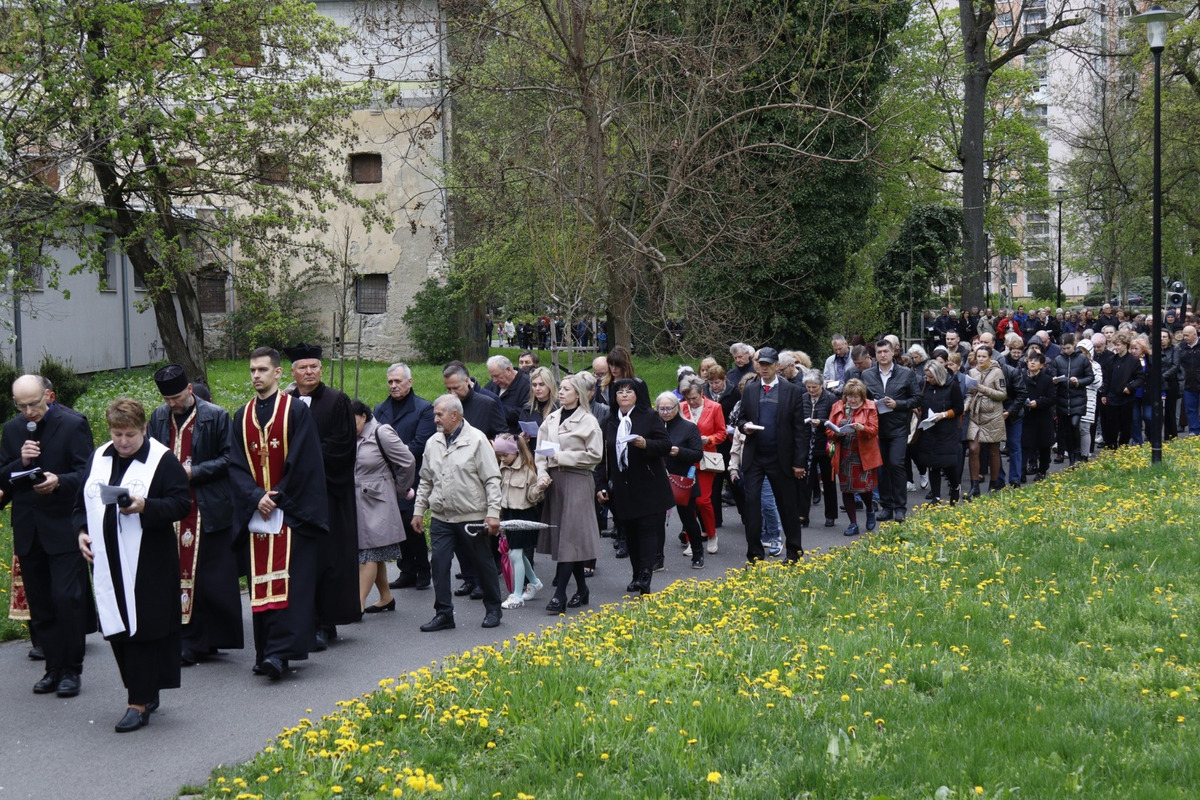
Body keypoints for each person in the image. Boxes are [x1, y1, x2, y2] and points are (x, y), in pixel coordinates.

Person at [76, 398, 191, 732]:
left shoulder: (161, 460)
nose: (123, 441)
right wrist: (80, 532)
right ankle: (143, 689)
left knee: (142, 630)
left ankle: (137, 703)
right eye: (117, 434)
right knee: (116, 629)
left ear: (144, 429)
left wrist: (145, 506)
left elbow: (181, 504)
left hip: (148, 562)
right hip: (107, 561)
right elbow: (80, 503)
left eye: (129, 434)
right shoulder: (99, 457)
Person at [228, 347, 329, 680]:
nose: (256, 375)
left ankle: (281, 653)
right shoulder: (241, 415)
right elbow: (236, 465)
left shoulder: (296, 412)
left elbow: (305, 462)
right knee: (260, 582)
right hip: (258, 514)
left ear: (278, 373)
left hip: (290, 514)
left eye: (262, 369)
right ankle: (264, 650)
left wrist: (278, 495)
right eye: (252, 370)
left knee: (289, 584)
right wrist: (256, 497)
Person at [0, 374, 94, 698]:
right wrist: (20, 461)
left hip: (63, 525)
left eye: (34, 404)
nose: (29, 412)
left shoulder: (72, 424)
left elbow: (87, 473)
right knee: (40, 604)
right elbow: (3, 475)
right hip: (28, 528)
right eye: (22, 406)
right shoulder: (12, 431)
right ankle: (52, 668)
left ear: (49, 396)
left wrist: (59, 481)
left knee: (66, 599)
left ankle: (71, 670)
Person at [147, 364, 244, 667]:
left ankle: (210, 639)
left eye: (177, 397)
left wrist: (194, 471)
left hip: (208, 506)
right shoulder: (159, 417)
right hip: (172, 509)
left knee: (209, 578)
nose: (173, 404)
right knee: (175, 575)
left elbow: (230, 458)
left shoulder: (215, 416)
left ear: (189, 389)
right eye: (167, 399)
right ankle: (187, 639)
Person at [283, 343, 360, 650]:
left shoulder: (337, 401)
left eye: (314, 366)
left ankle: (326, 622)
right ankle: (302, 618)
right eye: (303, 367)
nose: (309, 372)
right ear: (293, 372)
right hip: (294, 496)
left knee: (329, 558)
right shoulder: (284, 403)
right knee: (299, 561)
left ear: (321, 369)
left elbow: (342, 447)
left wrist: (305, 465)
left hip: (329, 493)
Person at [412, 395, 504, 631]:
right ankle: (444, 614)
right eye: (435, 414)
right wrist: (419, 511)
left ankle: (493, 608)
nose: (435, 419)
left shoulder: (477, 440)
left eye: (439, 414)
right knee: (439, 564)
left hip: (471, 516)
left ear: (455, 415)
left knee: (483, 563)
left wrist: (493, 513)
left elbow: (492, 479)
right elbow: (425, 480)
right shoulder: (433, 442)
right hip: (442, 516)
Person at [596, 377, 674, 594]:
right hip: (622, 487)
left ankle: (645, 577)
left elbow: (666, 445)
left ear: (637, 395)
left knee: (648, 532)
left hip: (649, 485)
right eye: (620, 391)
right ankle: (636, 574)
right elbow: (602, 457)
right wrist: (601, 485)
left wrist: (645, 444)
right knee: (630, 534)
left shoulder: (649, 417)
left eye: (629, 391)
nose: (624, 395)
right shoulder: (609, 421)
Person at [535, 373, 605, 610]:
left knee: (569, 537)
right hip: (555, 483)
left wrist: (562, 456)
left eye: (566, 389)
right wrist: (542, 473)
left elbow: (595, 455)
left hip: (577, 480)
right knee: (568, 537)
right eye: (561, 388)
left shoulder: (588, 421)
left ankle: (560, 594)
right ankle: (582, 590)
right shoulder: (552, 418)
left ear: (577, 393)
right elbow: (541, 453)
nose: (561, 392)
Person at [734, 347, 808, 561]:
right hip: (755, 456)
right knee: (752, 506)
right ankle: (755, 555)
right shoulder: (750, 388)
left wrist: (799, 462)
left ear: (776, 365)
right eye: (760, 364)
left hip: (780, 457)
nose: (763, 368)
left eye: (767, 364)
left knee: (788, 506)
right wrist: (744, 426)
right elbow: (741, 418)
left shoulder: (792, 391)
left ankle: (794, 553)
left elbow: (799, 431)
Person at [375, 363, 436, 591]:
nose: (393, 385)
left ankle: (423, 569)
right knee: (396, 525)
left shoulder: (424, 409)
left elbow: (419, 445)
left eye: (398, 381)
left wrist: (393, 458)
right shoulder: (380, 409)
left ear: (409, 382)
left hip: (413, 476)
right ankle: (406, 569)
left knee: (412, 523)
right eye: (390, 381)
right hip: (387, 477)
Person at [351, 400, 414, 613]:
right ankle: (386, 597)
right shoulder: (353, 436)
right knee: (373, 553)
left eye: (352, 420)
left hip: (378, 503)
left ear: (364, 416)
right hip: (359, 503)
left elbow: (407, 461)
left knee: (367, 554)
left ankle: (356, 605)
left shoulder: (381, 432)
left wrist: (400, 489)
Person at [861, 339, 921, 522]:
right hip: (877, 428)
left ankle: (900, 507)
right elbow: (862, 399)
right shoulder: (867, 375)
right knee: (882, 468)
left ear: (893, 352)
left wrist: (898, 404)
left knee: (896, 464)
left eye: (886, 351)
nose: (882, 355)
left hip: (898, 427)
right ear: (875, 355)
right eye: (879, 352)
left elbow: (917, 398)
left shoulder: (906, 374)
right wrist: (872, 404)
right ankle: (886, 506)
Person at [826, 379, 881, 536]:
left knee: (865, 489)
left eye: (856, 396)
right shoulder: (838, 406)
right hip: (843, 453)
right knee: (846, 489)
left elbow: (874, 430)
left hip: (862, 454)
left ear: (862, 396)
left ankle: (870, 509)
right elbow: (829, 430)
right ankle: (853, 523)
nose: (852, 399)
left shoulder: (870, 406)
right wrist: (837, 431)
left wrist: (862, 428)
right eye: (849, 396)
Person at [495, 434, 544, 609]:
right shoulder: (501, 469)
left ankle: (516, 595)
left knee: (515, 554)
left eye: (505, 455)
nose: (502, 458)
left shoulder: (528, 471)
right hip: (508, 515)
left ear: (515, 452)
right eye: (499, 455)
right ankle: (535, 582)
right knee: (519, 554)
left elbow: (532, 497)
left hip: (524, 515)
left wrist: (540, 488)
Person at [657, 393, 705, 569]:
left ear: (677, 408)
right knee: (657, 521)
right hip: (659, 479)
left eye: (669, 408)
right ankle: (657, 558)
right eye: (662, 408)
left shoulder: (688, 427)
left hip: (682, 480)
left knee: (688, 519)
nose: (666, 412)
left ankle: (698, 553)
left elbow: (698, 454)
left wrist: (680, 452)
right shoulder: (654, 426)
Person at [678, 375, 726, 550]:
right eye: (688, 398)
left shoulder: (715, 407)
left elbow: (722, 433)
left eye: (694, 398)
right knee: (687, 502)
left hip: (706, 461)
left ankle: (712, 535)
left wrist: (710, 439)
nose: (691, 402)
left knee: (702, 501)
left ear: (702, 393)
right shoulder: (681, 407)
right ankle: (692, 539)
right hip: (684, 460)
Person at [915, 360, 964, 505]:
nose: (928, 380)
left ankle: (955, 486)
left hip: (946, 430)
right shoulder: (925, 386)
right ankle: (936, 496)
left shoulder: (952, 387)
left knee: (948, 463)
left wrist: (943, 415)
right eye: (927, 377)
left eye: (931, 377)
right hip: (929, 429)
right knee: (932, 463)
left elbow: (959, 409)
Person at [966, 345, 1008, 497]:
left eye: (984, 356)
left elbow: (1003, 395)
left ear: (990, 357)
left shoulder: (997, 372)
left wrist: (985, 390)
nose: (981, 359)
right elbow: (970, 394)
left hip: (993, 415)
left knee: (993, 451)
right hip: (975, 416)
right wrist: (965, 408)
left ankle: (994, 485)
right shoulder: (972, 372)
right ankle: (974, 486)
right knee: (973, 449)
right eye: (979, 356)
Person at [799, 370, 839, 526]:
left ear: (821, 386)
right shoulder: (802, 399)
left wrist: (821, 422)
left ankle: (831, 515)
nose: (811, 390)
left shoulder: (831, 399)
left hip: (825, 444)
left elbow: (835, 420)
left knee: (829, 481)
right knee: (805, 481)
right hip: (807, 444)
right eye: (808, 387)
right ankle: (803, 516)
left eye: (814, 387)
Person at [1052, 334, 1094, 466]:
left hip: (1078, 399)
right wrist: (1055, 380)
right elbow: (1053, 375)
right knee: (1066, 430)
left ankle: (1077, 453)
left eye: (1068, 348)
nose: (1065, 350)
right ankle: (1072, 457)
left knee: (1074, 425)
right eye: (1063, 348)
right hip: (1063, 399)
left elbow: (1090, 377)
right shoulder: (1058, 359)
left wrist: (1079, 382)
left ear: (1074, 345)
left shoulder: (1082, 359)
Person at [1101, 330, 1142, 448]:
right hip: (1112, 396)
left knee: (1125, 425)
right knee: (1111, 425)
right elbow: (1107, 378)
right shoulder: (1112, 359)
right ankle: (1111, 445)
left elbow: (1140, 378)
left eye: (1118, 344)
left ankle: (1123, 446)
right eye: (1115, 344)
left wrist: (1130, 387)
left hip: (1126, 398)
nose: (1116, 347)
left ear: (1125, 345)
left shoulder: (1133, 361)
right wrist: (1104, 394)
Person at [1022, 352, 1056, 480]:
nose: (1032, 363)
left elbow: (1052, 398)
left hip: (1042, 417)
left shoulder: (1046, 379)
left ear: (1042, 365)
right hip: (1027, 416)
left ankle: (1042, 471)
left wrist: (1038, 402)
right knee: (1025, 445)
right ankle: (1022, 472)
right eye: (1030, 360)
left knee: (1044, 446)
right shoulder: (1022, 377)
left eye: (1036, 361)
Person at [485, 355, 532, 436]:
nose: (494, 380)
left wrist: (498, 409)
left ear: (508, 370)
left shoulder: (527, 385)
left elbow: (525, 414)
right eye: (492, 377)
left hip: (513, 437)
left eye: (497, 376)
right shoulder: (492, 385)